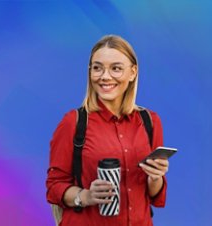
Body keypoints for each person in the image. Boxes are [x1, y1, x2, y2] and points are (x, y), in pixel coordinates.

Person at [46, 35, 169, 226]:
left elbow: (152, 194)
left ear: (133, 73)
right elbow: (54, 187)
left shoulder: (150, 121)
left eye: (116, 68)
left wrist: (156, 177)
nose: (104, 76)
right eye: (97, 68)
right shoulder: (74, 122)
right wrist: (85, 196)